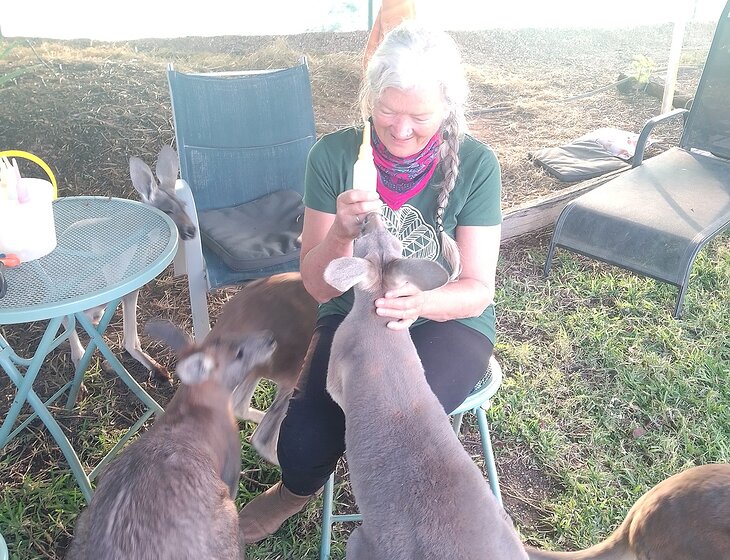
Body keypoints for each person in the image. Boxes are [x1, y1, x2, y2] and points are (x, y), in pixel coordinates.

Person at [238, 20, 503, 543]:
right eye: (387, 111)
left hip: (445, 320)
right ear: (370, 99)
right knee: (304, 441)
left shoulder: (477, 164)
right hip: (351, 314)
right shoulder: (334, 156)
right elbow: (319, 288)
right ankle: (293, 492)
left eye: (420, 117)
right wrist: (340, 233)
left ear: (447, 109)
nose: (401, 130)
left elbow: (476, 288)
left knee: (402, 432)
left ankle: (407, 528)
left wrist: (420, 301)